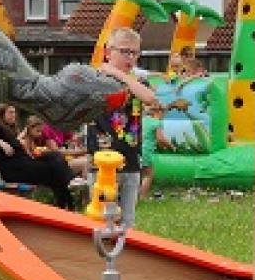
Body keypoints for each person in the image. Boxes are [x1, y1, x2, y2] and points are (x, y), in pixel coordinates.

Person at [87, 27, 163, 227]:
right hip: (103, 163)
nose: (130, 57)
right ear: (108, 52)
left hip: (130, 161)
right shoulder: (96, 78)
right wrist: (111, 73)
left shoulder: (137, 80)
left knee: (127, 224)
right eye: (124, 51)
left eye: (135, 53)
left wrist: (121, 74)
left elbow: (151, 99)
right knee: (103, 222)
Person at [0, 102, 80, 209]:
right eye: (10, 112)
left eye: (14, 112)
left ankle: (66, 202)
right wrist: (0, 143)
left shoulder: (9, 128)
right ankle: (69, 194)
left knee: (54, 156)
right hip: (14, 170)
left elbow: (15, 143)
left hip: (24, 164)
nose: (13, 115)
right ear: (2, 113)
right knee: (52, 170)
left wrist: (23, 136)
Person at [154, 52, 213, 153]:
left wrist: (184, 82)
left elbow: (199, 76)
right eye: (173, 66)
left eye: (178, 66)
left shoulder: (199, 79)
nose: (175, 69)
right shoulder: (169, 80)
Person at [22, 114, 90, 179]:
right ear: (30, 129)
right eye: (38, 131)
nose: (40, 134)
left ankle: (79, 185)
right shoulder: (26, 142)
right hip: (47, 170)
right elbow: (30, 161)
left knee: (86, 160)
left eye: (41, 131)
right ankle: (82, 187)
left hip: (52, 166)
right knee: (84, 162)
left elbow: (72, 138)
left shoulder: (34, 141)